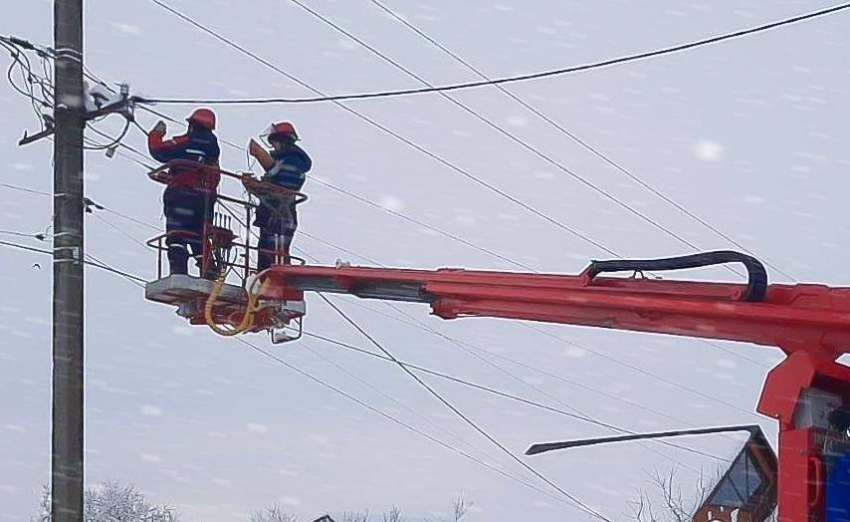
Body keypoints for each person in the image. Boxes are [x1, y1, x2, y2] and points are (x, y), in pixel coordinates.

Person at [148, 108, 221, 277]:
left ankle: (179, 271)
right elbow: (201, 175)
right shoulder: (212, 153)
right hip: (204, 201)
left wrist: (156, 134)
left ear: (193, 125)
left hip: (181, 196)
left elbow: (158, 150)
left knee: (177, 234)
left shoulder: (187, 142)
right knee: (198, 236)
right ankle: (209, 269)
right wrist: (171, 178)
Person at [246, 121, 312, 270]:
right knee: (267, 254)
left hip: (280, 217)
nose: (273, 146)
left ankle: (269, 284)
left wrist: (259, 186)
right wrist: (254, 186)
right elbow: (274, 189)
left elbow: (281, 188)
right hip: (273, 216)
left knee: (273, 256)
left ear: (283, 140)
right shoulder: (284, 161)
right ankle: (264, 282)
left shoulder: (293, 161)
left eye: (274, 142)